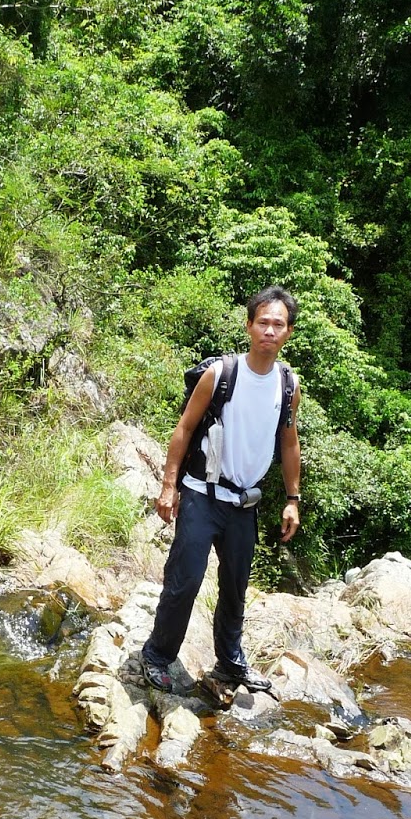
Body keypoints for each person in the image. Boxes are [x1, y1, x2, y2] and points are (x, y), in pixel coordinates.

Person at [140, 286, 301, 694]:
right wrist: (169, 485)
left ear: (288, 332)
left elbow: (289, 442)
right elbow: (184, 428)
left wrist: (292, 499)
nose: (269, 331)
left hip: (244, 503)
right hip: (201, 494)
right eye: (262, 322)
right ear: (249, 326)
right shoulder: (221, 374)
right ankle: (157, 655)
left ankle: (230, 663)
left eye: (278, 324)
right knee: (185, 580)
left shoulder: (287, 385)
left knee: (235, 587)